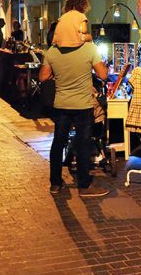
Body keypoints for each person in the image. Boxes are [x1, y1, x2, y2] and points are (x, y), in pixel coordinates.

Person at [39, 33, 109, 198]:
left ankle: (55, 183)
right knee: (83, 143)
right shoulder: (89, 49)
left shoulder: (53, 52)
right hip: (83, 104)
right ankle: (84, 185)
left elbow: (42, 76)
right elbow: (103, 75)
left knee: (58, 142)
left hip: (62, 104)